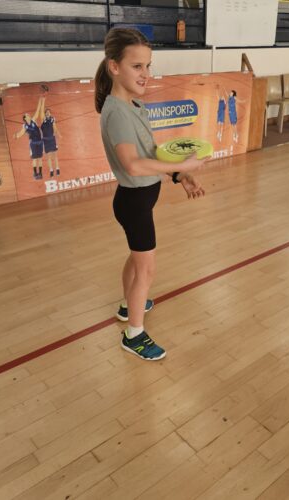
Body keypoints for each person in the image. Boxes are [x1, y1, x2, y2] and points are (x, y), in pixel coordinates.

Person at [95, 28, 208, 361]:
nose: (146, 73)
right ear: (114, 67)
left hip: (140, 199)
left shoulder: (134, 105)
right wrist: (184, 164)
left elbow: (150, 153)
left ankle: (126, 305)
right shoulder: (117, 112)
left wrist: (179, 174)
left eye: (148, 65)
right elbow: (132, 164)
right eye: (137, 66)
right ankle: (134, 334)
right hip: (134, 203)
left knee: (136, 258)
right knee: (147, 270)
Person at [14, 95, 45, 180]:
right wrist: (16, 136)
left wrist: (40, 101)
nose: (29, 115)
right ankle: (35, 173)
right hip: (33, 143)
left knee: (40, 158)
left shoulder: (33, 120)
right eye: (27, 115)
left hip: (40, 142)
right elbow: (20, 134)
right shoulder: (24, 126)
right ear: (25, 118)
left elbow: (37, 111)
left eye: (28, 114)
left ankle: (40, 173)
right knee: (34, 159)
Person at [40, 107, 62, 177]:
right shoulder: (43, 119)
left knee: (55, 155)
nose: (48, 113)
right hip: (46, 140)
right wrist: (42, 102)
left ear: (50, 113)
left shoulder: (52, 119)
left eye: (49, 112)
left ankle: (57, 169)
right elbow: (41, 114)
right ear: (45, 114)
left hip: (52, 139)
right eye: (46, 112)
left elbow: (55, 128)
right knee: (48, 156)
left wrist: (58, 134)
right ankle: (51, 170)